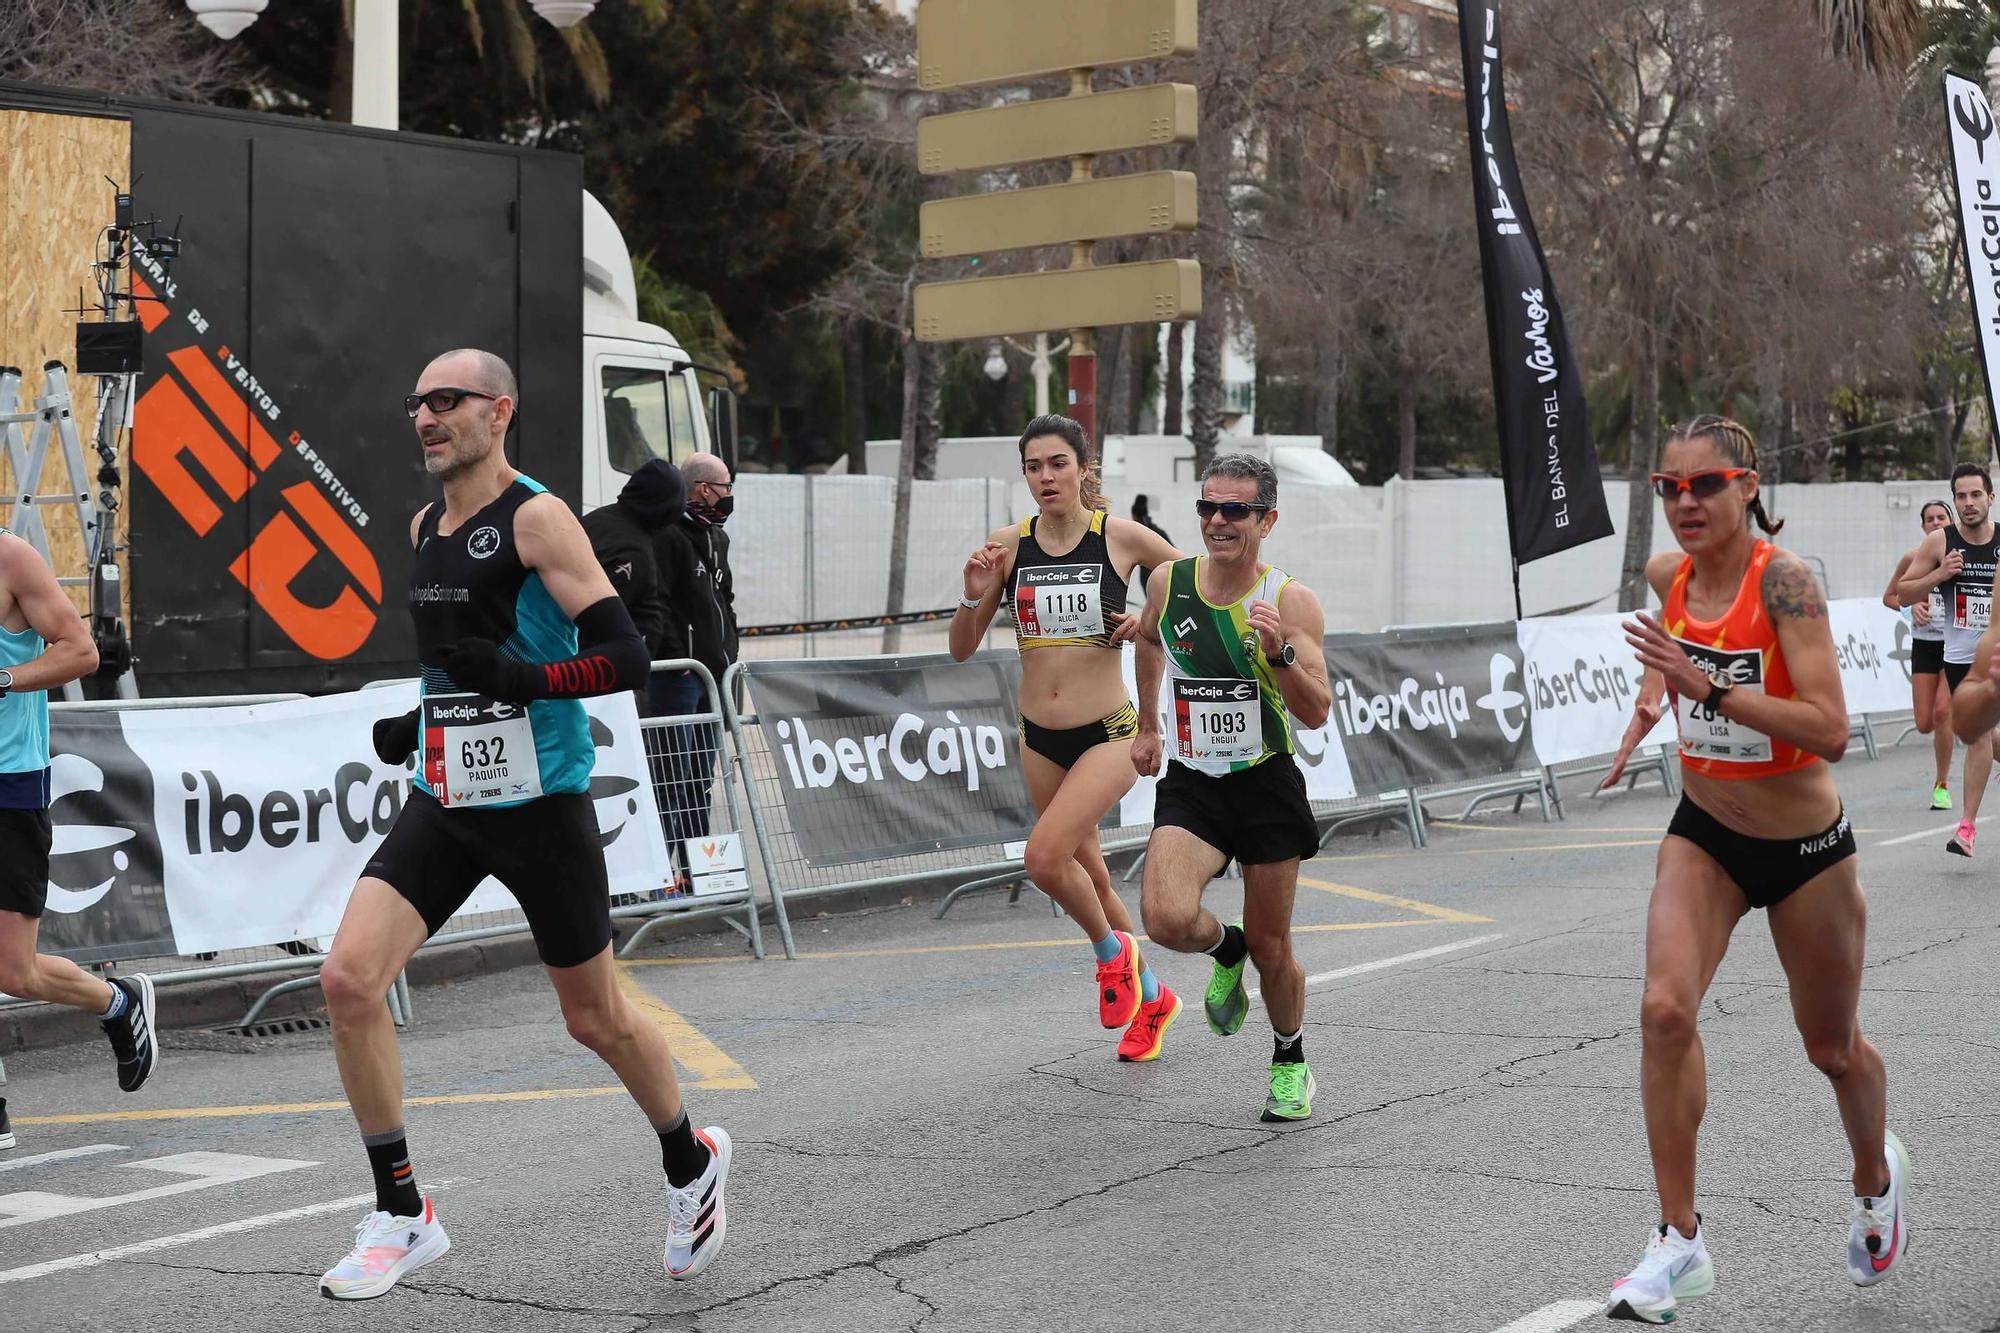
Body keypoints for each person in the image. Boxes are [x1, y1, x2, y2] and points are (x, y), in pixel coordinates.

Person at [316, 350, 731, 1300]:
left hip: (541, 802)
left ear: (499, 412)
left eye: (447, 401)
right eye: (416, 401)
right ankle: (402, 1211)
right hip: (448, 797)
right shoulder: (425, 523)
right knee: (346, 978)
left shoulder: (540, 519)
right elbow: (455, 659)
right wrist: (418, 721)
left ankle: (690, 1157)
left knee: (597, 1018)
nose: (426, 416)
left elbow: (626, 654)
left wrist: (524, 683)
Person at [1600, 415, 1904, 1324]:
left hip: (1806, 851)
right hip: (1706, 832)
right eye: (1669, 487)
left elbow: (1832, 729)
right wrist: (1657, 692)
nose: (1685, 503)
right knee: (1662, 1009)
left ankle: (1876, 1177)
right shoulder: (1671, 576)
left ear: (1749, 485)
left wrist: (1707, 688)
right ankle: (1678, 1239)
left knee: (1832, 1048)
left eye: (1706, 485)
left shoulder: (1789, 583)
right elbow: (1672, 638)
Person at [951, 414, 1182, 1061]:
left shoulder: (1125, 538)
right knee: (1094, 879)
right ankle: (1155, 997)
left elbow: (1193, 586)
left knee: (1044, 858)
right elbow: (961, 650)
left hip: (1108, 732)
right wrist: (973, 598)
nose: (1045, 477)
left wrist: (1148, 617)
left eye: (1057, 463)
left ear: (1085, 467)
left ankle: (1113, 959)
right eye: (1033, 466)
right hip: (1039, 737)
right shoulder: (1009, 545)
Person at [1131, 453, 1331, 1121]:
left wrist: (1282, 654)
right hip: (1195, 779)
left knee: (1277, 948)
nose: (1217, 521)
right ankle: (1226, 945)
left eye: (1234, 510)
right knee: (1163, 917)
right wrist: (1148, 720)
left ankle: (1290, 1058)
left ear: (1266, 520)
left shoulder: (1289, 599)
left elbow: (1318, 709)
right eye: (1207, 508)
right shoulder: (1169, 581)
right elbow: (1150, 641)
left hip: (1264, 779)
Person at [0, 527, 158, 1136]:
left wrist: (4, 679)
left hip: (11, 790)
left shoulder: (13, 559)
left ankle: (118, 1002)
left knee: (14, 972)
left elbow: (81, 652)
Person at [1896, 463, 1999, 856]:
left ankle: (1967, 828)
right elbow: (1904, 594)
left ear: (1990, 498)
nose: (1969, 503)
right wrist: (1939, 574)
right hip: (1960, 661)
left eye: (1976, 495)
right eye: (1961, 496)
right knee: (1979, 736)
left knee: (1979, 738)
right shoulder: (1940, 541)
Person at [649, 453, 737, 882]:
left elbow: (725, 602)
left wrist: (730, 653)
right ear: (703, 488)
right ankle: (655, 872)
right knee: (671, 776)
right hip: (681, 679)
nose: (730, 495)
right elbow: (656, 603)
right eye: (726, 487)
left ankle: (699, 871)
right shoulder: (666, 536)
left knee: (701, 778)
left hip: (714, 677)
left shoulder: (716, 538)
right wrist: (675, 659)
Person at [582, 458, 686, 706]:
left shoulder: (597, 520)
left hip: (601, 670)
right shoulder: (631, 548)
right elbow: (606, 614)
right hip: (611, 681)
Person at [1881, 499, 1955, 810]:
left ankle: (1942, 785)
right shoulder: (1913, 558)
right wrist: (1910, 606)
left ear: (1950, 523)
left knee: (1942, 712)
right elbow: (1889, 597)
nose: (1936, 523)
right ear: (1923, 527)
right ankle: (1979, 728)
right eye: (1930, 519)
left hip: (1955, 644)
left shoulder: (1964, 559)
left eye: (1941, 517)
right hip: (1925, 644)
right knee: (1925, 722)